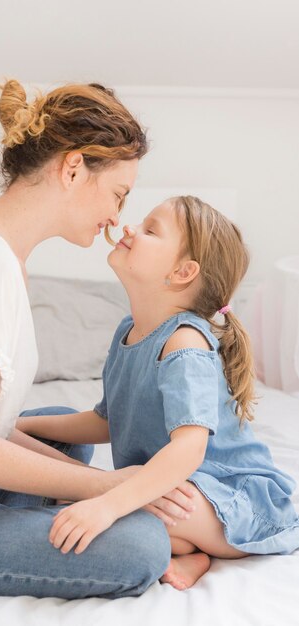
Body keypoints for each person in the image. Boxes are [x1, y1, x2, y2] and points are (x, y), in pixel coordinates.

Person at [0, 78, 200, 599]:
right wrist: (114, 489)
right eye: (119, 193)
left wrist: (102, 488)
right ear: (73, 168)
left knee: (57, 433)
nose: (116, 218)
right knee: (142, 545)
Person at [17, 195, 299, 591]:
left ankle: (186, 546)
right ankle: (189, 551)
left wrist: (107, 503)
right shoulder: (129, 331)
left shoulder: (185, 343)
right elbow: (106, 421)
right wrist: (21, 425)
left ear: (183, 271)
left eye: (150, 229)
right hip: (175, 486)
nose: (130, 228)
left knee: (108, 511)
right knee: (126, 501)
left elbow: (189, 449)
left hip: (238, 497)